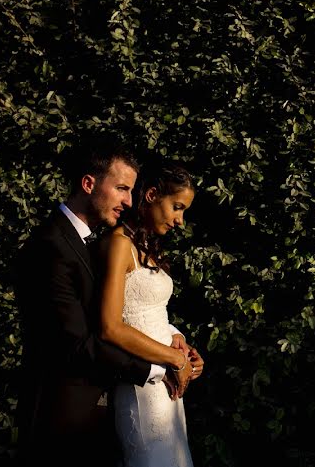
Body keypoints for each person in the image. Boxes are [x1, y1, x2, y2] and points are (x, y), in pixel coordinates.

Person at [14, 142, 202, 467]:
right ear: (89, 184)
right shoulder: (49, 246)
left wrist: (175, 341)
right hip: (62, 421)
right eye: (122, 188)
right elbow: (78, 342)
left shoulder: (95, 240)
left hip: (99, 416)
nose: (129, 200)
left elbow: (131, 308)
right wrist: (162, 366)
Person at [97, 163, 200, 467]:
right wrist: (175, 359)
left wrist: (180, 342)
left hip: (168, 390)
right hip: (141, 387)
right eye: (177, 207)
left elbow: (150, 312)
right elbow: (111, 326)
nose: (180, 221)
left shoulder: (147, 247)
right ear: (152, 195)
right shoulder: (118, 244)